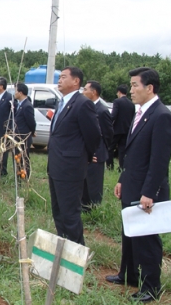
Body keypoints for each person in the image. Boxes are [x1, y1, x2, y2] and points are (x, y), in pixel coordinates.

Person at [106, 67, 171, 303]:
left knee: (147, 240)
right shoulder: (140, 113)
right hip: (132, 184)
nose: (131, 89)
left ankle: (151, 287)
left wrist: (149, 193)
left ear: (150, 88)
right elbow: (134, 154)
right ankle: (129, 275)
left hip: (147, 192)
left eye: (135, 85)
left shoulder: (162, 115)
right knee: (129, 234)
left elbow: (158, 161)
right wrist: (122, 179)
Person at [47, 66, 101, 245]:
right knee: (58, 212)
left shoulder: (82, 103)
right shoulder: (61, 102)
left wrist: (85, 156)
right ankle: (63, 247)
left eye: (63, 77)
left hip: (70, 168)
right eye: (59, 77)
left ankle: (76, 252)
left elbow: (93, 135)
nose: (59, 80)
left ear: (76, 81)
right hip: (56, 166)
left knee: (70, 214)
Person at [81, 81, 113, 210]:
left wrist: (101, 149)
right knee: (84, 181)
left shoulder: (102, 110)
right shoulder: (85, 107)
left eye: (85, 89)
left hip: (97, 153)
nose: (83, 92)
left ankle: (94, 207)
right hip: (86, 152)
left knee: (94, 183)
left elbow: (108, 133)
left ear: (93, 92)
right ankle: (84, 205)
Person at [107, 84, 135, 171]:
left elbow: (113, 115)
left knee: (110, 148)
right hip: (127, 130)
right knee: (122, 149)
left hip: (117, 130)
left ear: (119, 92)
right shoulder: (131, 104)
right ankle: (122, 167)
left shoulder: (117, 101)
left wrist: (108, 124)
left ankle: (109, 166)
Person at [13, 82, 36, 179]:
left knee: (24, 158)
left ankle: (25, 177)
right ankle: (18, 177)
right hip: (17, 136)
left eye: (15, 91)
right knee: (17, 157)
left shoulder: (27, 106)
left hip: (23, 137)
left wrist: (32, 131)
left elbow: (31, 122)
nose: (14, 93)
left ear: (20, 92)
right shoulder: (19, 104)